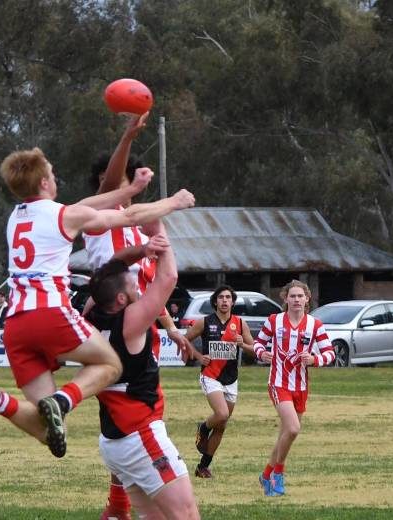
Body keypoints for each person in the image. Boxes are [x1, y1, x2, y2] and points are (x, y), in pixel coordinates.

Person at [0, 146, 195, 460]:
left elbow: (89, 205)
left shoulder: (16, 217)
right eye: (52, 174)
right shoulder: (63, 215)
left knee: (49, 431)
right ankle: (63, 400)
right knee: (111, 365)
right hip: (49, 314)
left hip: (15, 327)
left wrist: (131, 189)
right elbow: (129, 216)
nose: (55, 178)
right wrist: (174, 202)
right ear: (44, 182)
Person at [84, 114, 192, 520]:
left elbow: (149, 290)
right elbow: (114, 189)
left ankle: (119, 502)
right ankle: (120, 501)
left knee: (129, 405)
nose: (115, 187)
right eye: (109, 182)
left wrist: (172, 328)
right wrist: (128, 137)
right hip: (118, 321)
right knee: (134, 411)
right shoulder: (97, 219)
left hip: (133, 323)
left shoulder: (136, 229)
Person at [87, 220, 200, 520]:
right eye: (131, 284)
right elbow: (169, 277)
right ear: (121, 299)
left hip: (115, 439)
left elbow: (110, 268)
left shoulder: (90, 314)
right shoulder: (130, 322)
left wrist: (138, 250)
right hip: (140, 434)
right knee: (187, 515)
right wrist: (158, 228)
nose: (137, 284)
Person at [253, 280, 335, 496]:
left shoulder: (315, 324)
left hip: (301, 386)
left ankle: (266, 475)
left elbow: (330, 353)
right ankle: (278, 474)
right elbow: (257, 343)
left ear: (307, 299)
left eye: (300, 296)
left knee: (286, 434)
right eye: (293, 296)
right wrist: (262, 353)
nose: (297, 300)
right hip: (278, 383)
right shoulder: (274, 320)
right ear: (285, 298)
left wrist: (315, 360)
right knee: (293, 429)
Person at [183, 285, 254, 478]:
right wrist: (198, 356)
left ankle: (202, 467)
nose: (224, 300)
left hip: (231, 378)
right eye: (221, 297)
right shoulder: (205, 322)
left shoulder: (240, 323)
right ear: (215, 301)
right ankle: (203, 427)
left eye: (228, 297)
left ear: (233, 302)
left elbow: (254, 349)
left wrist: (242, 344)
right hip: (210, 375)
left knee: (222, 425)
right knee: (221, 414)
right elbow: (184, 340)